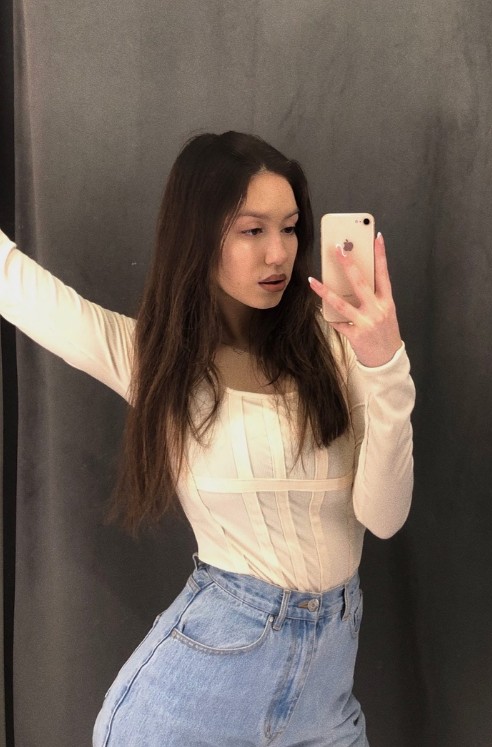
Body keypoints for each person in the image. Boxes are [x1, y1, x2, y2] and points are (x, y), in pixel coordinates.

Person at [0, 131, 415, 746]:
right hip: (208, 672)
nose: (278, 253)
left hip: (326, 694)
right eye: (252, 230)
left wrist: (384, 363)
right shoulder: (154, 363)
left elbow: (383, 516)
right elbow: (16, 285)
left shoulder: (337, 345)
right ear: (198, 235)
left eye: (290, 228)